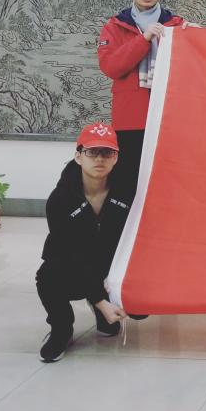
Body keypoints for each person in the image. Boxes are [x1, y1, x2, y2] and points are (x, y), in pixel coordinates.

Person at [36, 122, 132, 363]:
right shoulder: (60, 199)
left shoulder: (128, 191)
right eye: (92, 152)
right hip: (72, 265)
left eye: (107, 152)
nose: (99, 159)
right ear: (78, 156)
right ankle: (61, 329)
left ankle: (102, 310)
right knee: (47, 276)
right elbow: (71, 255)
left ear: (116, 158)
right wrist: (100, 301)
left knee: (132, 314)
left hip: (110, 265)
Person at [97, 0, 186, 194]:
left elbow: (190, 68)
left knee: (167, 180)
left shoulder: (177, 26)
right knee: (128, 181)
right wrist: (143, 39)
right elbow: (111, 67)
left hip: (168, 116)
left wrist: (196, 37)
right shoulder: (114, 26)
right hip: (130, 118)